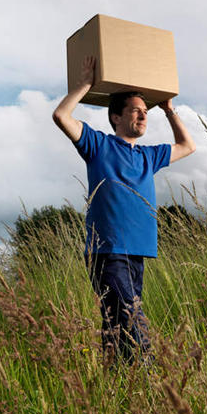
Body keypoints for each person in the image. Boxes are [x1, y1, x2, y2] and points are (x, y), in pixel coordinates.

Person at [52, 55, 196, 363]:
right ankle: (151, 378)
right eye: (136, 111)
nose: (143, 117)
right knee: (132, 316)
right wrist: (85, 85)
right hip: (108, 250)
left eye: (146, 113)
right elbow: (62, 116)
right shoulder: (98, 145)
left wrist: (169, 111)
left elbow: (187, 146)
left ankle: (116, 385)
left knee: (115, 324)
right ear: (116, 117)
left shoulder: (148, 156)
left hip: (138, 251)